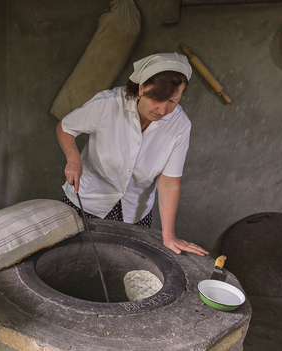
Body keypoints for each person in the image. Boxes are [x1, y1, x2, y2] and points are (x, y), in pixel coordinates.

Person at [57, 53, 209, 257]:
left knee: (124, 265)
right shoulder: (108, 104)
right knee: (75, 259)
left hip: (135, 212)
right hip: (88, 199)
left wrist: (169, 235)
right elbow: (65, 128)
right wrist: (73, 158)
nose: (163, 109)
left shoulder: (180, 125)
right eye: (157, 99)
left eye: (173, 101)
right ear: (141, 88)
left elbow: (169, 182)